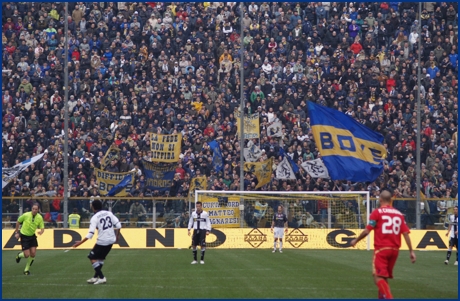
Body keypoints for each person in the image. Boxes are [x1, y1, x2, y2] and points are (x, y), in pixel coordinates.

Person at [351, 190, 416, 299]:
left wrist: (356, 240)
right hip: (395, 250)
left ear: (380, 199)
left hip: (381, 249)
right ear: (390, 200)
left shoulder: (377, 213)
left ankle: (389, 298)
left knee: (377, 277)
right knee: (383, 277)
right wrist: (411, 251)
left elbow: (367, 230)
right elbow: (405, 234)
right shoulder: (399, 214)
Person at [72, 199, 122, 285]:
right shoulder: (109, 213)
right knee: (100, 258)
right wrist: (117, 236)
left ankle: (102, 277)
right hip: (111, 240)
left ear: (93, 207)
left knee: (91, 257)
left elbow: (91, 233)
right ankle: (95, 277)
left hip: (102, 241)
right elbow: (118, 225)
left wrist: (79, 243)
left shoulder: (94, 217)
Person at [14, 203, 45, 275]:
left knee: (33, 253)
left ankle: (26, 270)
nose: (34, 210)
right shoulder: (26, 215)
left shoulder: (39, 217)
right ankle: (19, 255)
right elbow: (18, 221)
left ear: (38, 210)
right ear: (32, 209)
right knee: (27, 255)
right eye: (33, 209)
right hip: (24, 236)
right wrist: (16, 232)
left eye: (36, 209)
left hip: (32, 236)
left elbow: (42, 227)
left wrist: (41, 231)